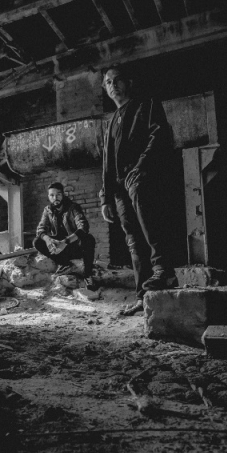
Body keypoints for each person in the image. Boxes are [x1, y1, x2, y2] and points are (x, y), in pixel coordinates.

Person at [99, 67, 178, 316]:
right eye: (108, 82)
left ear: (129, 82)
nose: (113, 85)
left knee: (149, 222)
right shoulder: (111, 122)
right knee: (132, 238)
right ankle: (142, 295)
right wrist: (105, 198)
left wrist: (142, 166)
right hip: (120, 188)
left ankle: (163, 270)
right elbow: (107, 164)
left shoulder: (147, 105)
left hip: (143, 176)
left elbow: (159, 134)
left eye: (117, 80)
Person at [33, 183, 97, 289]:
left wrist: (65, 242)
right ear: (48, 197)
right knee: (37, 242)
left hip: (74, 246)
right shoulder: (47, 210)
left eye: (58, 194)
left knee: (89, 238)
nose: (55, 198)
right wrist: (48, 240)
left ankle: (87, 274)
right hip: (59, 249)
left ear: (63, 194)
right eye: (52, 195)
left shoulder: (73, 207)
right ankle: (65, 264)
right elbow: (40, 229)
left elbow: (83, 227)